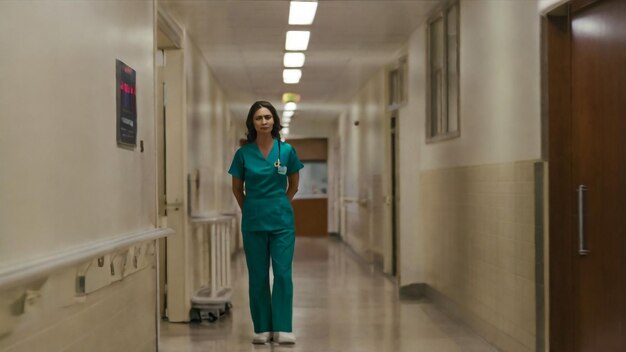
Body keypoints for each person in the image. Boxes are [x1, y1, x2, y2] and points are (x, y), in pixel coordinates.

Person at [228, 100, 304, 345]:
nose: (263, 122)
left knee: (282, 274)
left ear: (274, 121)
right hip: (253, 222)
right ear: (252, 122)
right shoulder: (243, 154)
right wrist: (250, 209)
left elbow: (293, 185)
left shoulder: (287, 151)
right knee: (258, 275)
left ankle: (283, 328)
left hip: (281, 222)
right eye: (259, 118)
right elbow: (237, 189)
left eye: (267, 117)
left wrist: (279, 204)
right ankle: (262, 327)